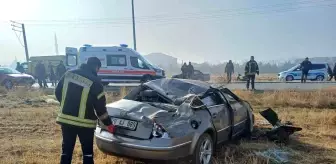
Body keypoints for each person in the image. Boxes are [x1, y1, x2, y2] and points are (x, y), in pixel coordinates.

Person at [55, 57, 115, 164]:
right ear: (96, 67)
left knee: (66, 151)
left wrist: (67, 105)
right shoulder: (95, 82)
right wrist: (109, 125)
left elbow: (58, 91)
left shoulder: (68, 74)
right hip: (85, 124)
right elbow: (100, 109)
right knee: (87, 153)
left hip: (66, 120)